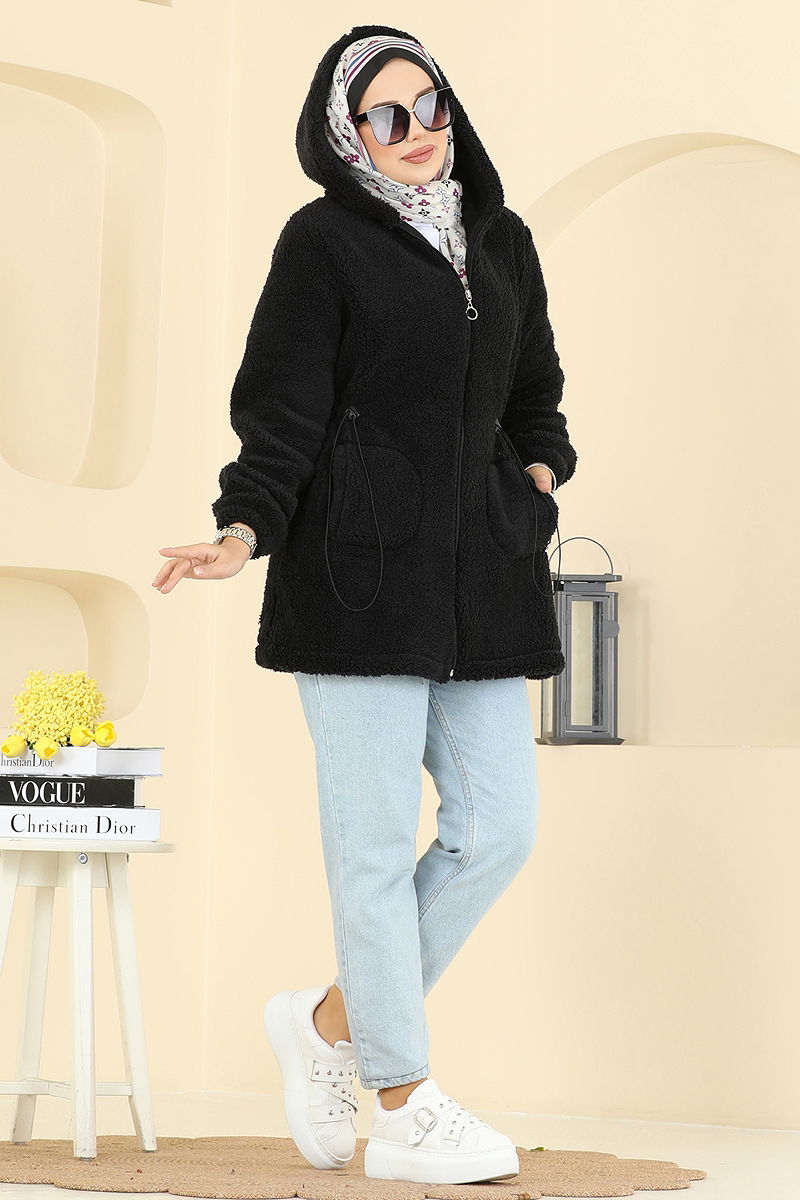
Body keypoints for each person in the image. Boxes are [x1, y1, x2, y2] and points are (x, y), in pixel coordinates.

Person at [153, 23, 577, 1188]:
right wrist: (243, 528)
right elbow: (279, 407)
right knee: (375, 851)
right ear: (347, 133)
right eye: (387, 115)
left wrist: (536, 477)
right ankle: (398, 1099)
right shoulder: (322, 242)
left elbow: (535, 389)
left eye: (430, 104)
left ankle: (328, 1025)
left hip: (481, 582)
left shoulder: (500, 238)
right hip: (354, 581)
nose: (418, 130)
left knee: (498, 830)